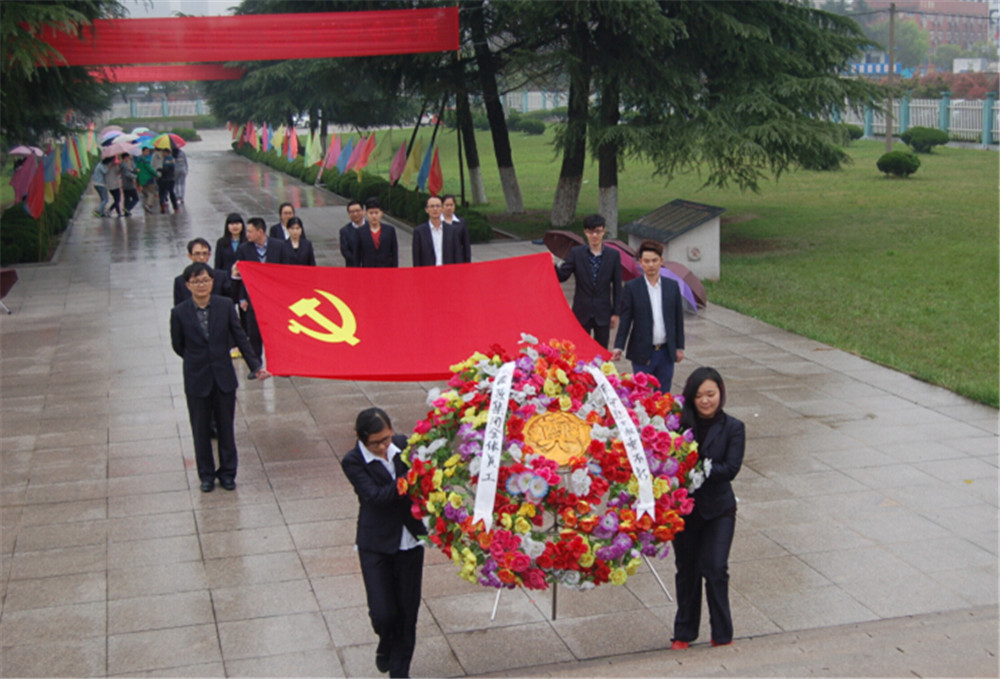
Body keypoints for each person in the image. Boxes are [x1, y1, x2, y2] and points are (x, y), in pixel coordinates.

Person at [170, 262, 270, 492]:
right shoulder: (179, 313)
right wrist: (198, 359)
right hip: (197, 379)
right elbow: (178, 345)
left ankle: (227, 473)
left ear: (212, 282)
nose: (201, 285)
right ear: (188, 285)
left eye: (205, 280)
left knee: (226, 428)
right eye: (196, 282)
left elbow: (240, 336)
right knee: (200, 430)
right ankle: (206, 475)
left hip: (223, 377)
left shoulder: (224, 306)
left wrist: (255, 365)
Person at [341, 407, 426, 678]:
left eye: (386, 439)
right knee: (383, 613)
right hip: (376, 542)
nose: (382, 447)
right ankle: (385, 640)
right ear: (360, 438)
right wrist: (409, 480)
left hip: (409, 540)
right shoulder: (353, 461)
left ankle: (400, 672)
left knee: (407, 613)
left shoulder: (403, 445)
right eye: (375, 443)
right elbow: (376, 496)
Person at [671, 367, 745, 650]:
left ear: (720, 394)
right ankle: (684, 632)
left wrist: (698, 469)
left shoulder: (734, 428)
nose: (705, 400)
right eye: (699, 395)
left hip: (719, 510)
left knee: (715, 568)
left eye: (710, 394)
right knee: (687, 571)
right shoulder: (678, 425)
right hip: (685, 511)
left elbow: (730, 469)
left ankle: (722, 634)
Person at [612, 239, 685, 393]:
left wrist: (679, 347)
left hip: (666, 352)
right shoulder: (632, 287)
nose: (651, 265)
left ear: (661, 261)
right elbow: (626, 319)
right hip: (642, 352)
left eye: (654, 260)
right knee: (642, 395)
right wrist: (619, 346)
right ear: (640, 263)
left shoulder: (672, 286)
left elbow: (678, 319)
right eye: (646, 261)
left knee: (663, 394)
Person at [555, 214, 622, 348]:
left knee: (601, 351)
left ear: (603, 231)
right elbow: (562, 276)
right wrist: (553, 265)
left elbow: (617, 286)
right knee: (580, 349)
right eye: (591, 232)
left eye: (598, 231)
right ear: (585, 232)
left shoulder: (613, 255)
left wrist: (616, 312)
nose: (594, 235)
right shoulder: (576, 253)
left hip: (603, 312)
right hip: (582, 310)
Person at [232, 217, 289, 359]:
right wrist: (242, 297)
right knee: (254, 334)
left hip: (275, 299)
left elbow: (287, 272)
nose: (247, 234)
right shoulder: (244, 249)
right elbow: (242, 276)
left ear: (260, 231)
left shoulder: (279, 246)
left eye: (250, 231)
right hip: (254, 298)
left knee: (277, 334)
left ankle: (278, 363)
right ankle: (256, 364)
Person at [173, 238, 231, 306]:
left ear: (209, 255)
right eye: (197, 254)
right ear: (190, 256)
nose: (201, 257)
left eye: (205, 253)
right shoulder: (180, 281)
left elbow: (231, 300)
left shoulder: (221, 276)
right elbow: (178, 307)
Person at [412, 195, 464, 267]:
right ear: (427, 209)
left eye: (438, 206)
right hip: (428, 271)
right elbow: (416, 258)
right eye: (432, 206)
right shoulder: (419, 232)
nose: (435, 209)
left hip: (447, 271)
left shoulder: (452, 231)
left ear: (442, 209)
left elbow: (457, 255)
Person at [357, 198, 398, 268]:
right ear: (366, 214)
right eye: (371, 213)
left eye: (376, 213)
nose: (374, 216)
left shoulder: (390, 230)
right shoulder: (360, 232)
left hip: (386, 270)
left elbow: (394, 253)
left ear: (381, 213)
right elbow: (357, 255)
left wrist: (395, 270)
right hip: (367, 270)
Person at [441, 194, 472, 263]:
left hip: (458, 260)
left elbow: (466, 244)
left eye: (451, 205)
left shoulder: (461, 222)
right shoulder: (438, 223)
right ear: (442, 206)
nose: (449, 208)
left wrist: (467, 262)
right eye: (447, 205)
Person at [339, 200, 366, 267]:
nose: (355, 214)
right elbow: (345, 250)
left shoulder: (371, 227)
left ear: (363, 211)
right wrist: (358, 261)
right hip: (353, 266)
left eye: (357, 211)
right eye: (352, 212)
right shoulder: (344, 231)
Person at [136, 147, 159, 213]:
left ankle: (146, 205)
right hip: (148, 178)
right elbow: (150, 169)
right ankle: (148, 205)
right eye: (146, 151)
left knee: (146, 194)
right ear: (143, 152)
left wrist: (138, 180)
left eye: (148, 151)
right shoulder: (145, 160)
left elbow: (137, 170)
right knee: (152, 192)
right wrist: (156, 174)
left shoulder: (138, 160)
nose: (148, 153)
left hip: (141, 179)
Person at [157, 148, 178, 213]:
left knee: (162, 193)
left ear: (167, 153)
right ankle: (175, 207)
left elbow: (166, 170)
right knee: (171, 193)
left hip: (165, 179)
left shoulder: (168, 160)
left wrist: (159, 169)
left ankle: (162, 204)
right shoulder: (172, 159)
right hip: (171, 179)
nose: (163, 154)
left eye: (164, 153)